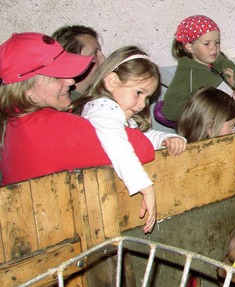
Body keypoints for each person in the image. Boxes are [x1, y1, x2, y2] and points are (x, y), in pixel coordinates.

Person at [0, 32, 154, 187]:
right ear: (27, 88)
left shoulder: (13, 121)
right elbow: (142, 147)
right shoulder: (50, 127)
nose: (71, 80)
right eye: (56, 76)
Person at [75, 46, 187, 234]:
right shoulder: (101, 109)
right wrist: (145, 187)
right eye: (139, 93)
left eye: (148, 97)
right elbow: (118, 145)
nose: (143, 104)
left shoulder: (119, 114)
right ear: (112, 81)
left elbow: (141, 137)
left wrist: (167, 138)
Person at [163, 15, 235, 122]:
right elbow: (170, 109)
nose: (214, 47)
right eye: (207, 43)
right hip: (207, 132)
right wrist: (201, 106)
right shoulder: (186, 74)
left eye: (217, 42)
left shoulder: (223, 63)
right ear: (190, 47)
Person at [51, 25, 106, 100]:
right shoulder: (64, 105)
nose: (103, 59)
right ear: (71, 61)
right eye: (94, 55)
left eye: (100, 52)